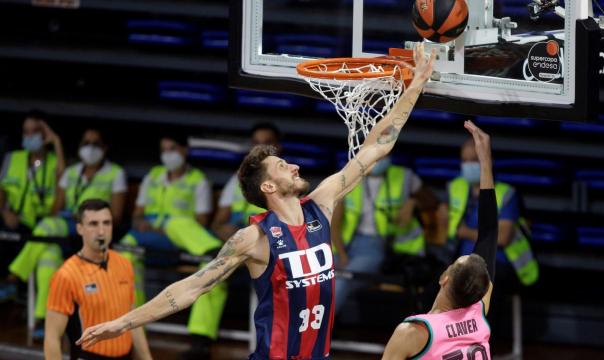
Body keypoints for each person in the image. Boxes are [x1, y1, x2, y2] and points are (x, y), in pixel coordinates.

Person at [75, 44, 436, 360]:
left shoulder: (321, 204)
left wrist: (416, 84)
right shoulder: (254, 239)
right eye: (283, 166)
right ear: (268, 187)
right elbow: (190, 287)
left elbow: (376, 146)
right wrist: (123, 322)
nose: (294, 165)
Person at [382, 120, 496, 360]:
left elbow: (487, 234)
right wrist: (485, 161)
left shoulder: (413, 332)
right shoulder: (479, 314)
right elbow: (488, 233)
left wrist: (484, 159)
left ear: (444, 278)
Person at [8, 128, 127, 338]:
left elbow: (116, 217)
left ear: (105, 148)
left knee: (46, 228)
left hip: (93, 231)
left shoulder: (115, 173)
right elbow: (56, 209)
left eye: (96, 143)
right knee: (47, 257)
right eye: (86, 143)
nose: (90, 148)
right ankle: (45, 320)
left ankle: (15, 275)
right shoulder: (72, 172)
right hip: (68, 227)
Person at [119, 133, 223, 359]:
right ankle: (130, 326)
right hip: (152, 239)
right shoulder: (153, 176)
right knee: (125, 249)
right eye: (164, 149)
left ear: (184, 151)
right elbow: (136, 216)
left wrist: (167, 227)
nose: (168, 154)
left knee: (179, 225)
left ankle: (213, 253)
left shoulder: (198, 179)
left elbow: (202, 221)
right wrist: (142, 223)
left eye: (172, 149)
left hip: (184, 241)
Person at [45, 199, 152, 360]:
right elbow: (52, 338)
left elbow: (132, 322)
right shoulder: (66, 275)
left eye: (107, 223)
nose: (101, 231)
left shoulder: (124, 264)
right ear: (80, 228)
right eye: (93, 224)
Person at [331, 155, 425, 314]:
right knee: (317, 277)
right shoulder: (349, 177)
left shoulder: (404, 176)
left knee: (342, 279)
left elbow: (431, 201)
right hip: (343, 245)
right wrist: (342, 254)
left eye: (385, 154)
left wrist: (413, 202)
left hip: (376, 246)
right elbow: (335, 222)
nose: (379, 158)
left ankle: (316, 331)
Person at [445, 137, 538, 287]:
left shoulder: (506, 194)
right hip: (463, 261)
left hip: (499, 263)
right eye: (465, 160)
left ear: (489, 161)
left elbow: (502, 238)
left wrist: (466, 232)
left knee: (476, 287)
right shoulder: (456, 187)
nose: (468, 165)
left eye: (474, 160)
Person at [0, 111, 65, 300]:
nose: (30, 136)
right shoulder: (13, 158)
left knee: (39, 240)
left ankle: (12, 281)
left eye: (35, 131)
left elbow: (64, 187)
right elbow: (1, 190)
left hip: (37, 224)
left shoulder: (55, 162)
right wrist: (4, 212)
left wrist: (57, 143)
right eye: (26, 131)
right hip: (9, 219)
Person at [212, 122, 281, 241]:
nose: (261, 148)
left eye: (267, 143)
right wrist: (225, 231)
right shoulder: (238, 177)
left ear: (278, 147)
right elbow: (218, 224)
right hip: (234, 241)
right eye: (256, 143)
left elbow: (288, 228)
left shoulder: (288, 180)